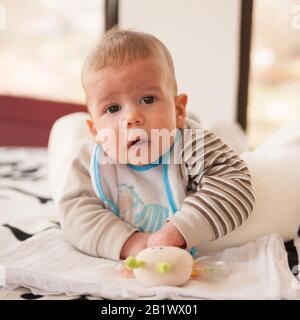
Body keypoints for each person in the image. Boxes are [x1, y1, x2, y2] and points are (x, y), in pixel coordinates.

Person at [56, 28, 255, 261]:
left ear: (179, 109)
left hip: (201, 141)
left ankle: (228, 130)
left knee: (236, 144)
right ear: (96, 132)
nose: (132, 117)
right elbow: (74, 212)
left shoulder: (192, 142)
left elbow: (235, 182)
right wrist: (129, 242)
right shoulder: (92, 159)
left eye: (148, 99)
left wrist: (179, 230)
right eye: (112, 108)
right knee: (64, 133)